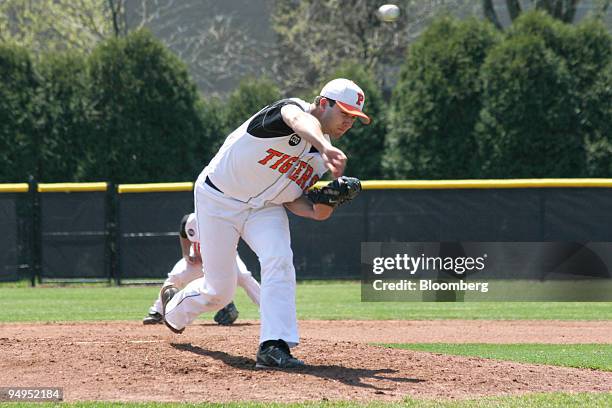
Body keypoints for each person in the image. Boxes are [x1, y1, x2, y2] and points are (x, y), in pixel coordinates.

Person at [160, 78, 370, 368]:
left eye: (354, 118)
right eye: (345, 113)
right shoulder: (291, 111)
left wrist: (328, 202)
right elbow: (297, 120)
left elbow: (300, 204)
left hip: (264, 208)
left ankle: (273, 346)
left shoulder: (321, 161)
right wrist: (324, 145)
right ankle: (174, 309)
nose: (349, 122)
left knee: (279, 258)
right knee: (220, 291)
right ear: (323, 103)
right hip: (218, 199)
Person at [143, 213, 260, 325]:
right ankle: (157, 312)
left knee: (244, 277)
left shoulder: (220, 221)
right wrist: (186, 253)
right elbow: (183, 234)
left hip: (226, 260)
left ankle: (268, 309)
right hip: (198, 260)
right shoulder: (189, 221)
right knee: (175, 276)